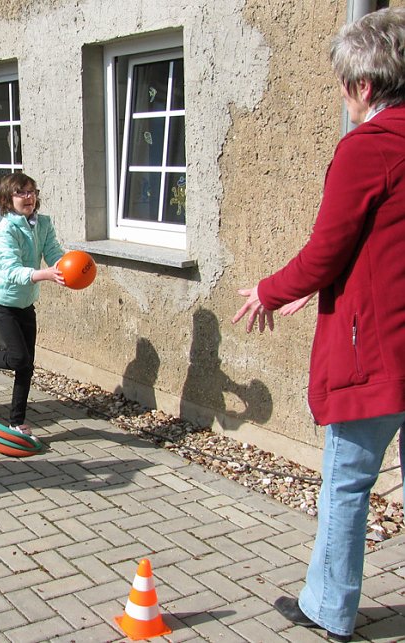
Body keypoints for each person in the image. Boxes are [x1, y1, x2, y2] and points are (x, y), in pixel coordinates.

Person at [233, 9, 405, 641]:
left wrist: (275, 291)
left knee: (346, 486)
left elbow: (329, 246)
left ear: (363, 85)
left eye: (342, 82)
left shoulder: (369, 146)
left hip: (378, 355)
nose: (342, 94)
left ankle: (329, 610)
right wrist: (322, 289)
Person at [0, 172, 65, 437]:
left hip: (26, 302)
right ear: (8, 199)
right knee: (19, 357)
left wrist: (71, 266)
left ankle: (16, 422)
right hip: (3, 301)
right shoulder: (5, 230)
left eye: (31, 191)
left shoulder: (43, 223)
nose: (28, 197)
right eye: (21, 193)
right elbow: (11, 270)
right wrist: (44, 275)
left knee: (27, 364)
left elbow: (54, 252)